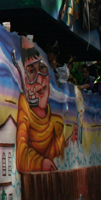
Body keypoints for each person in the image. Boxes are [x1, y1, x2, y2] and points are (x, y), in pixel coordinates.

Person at [15, 36, 78, 172]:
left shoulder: (57, 123)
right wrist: (41, 163)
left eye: (42, 70)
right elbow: (21, 151)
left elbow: (60, 154)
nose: (40, 80)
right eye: (32, 72)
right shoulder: (24, 106)